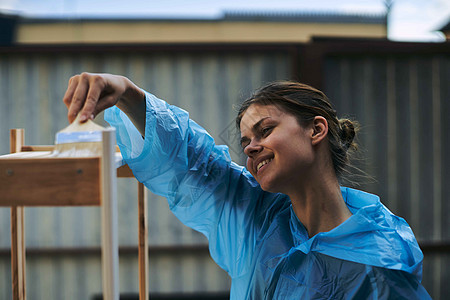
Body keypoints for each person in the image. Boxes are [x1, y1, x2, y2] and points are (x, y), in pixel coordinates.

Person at [63, 73, 431, 299]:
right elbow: (197, 162)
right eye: (245, 141)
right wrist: (127, 92)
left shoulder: (382, 260)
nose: (252, 147)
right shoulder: (256, 219)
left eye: (265, 130)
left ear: (316, 130)